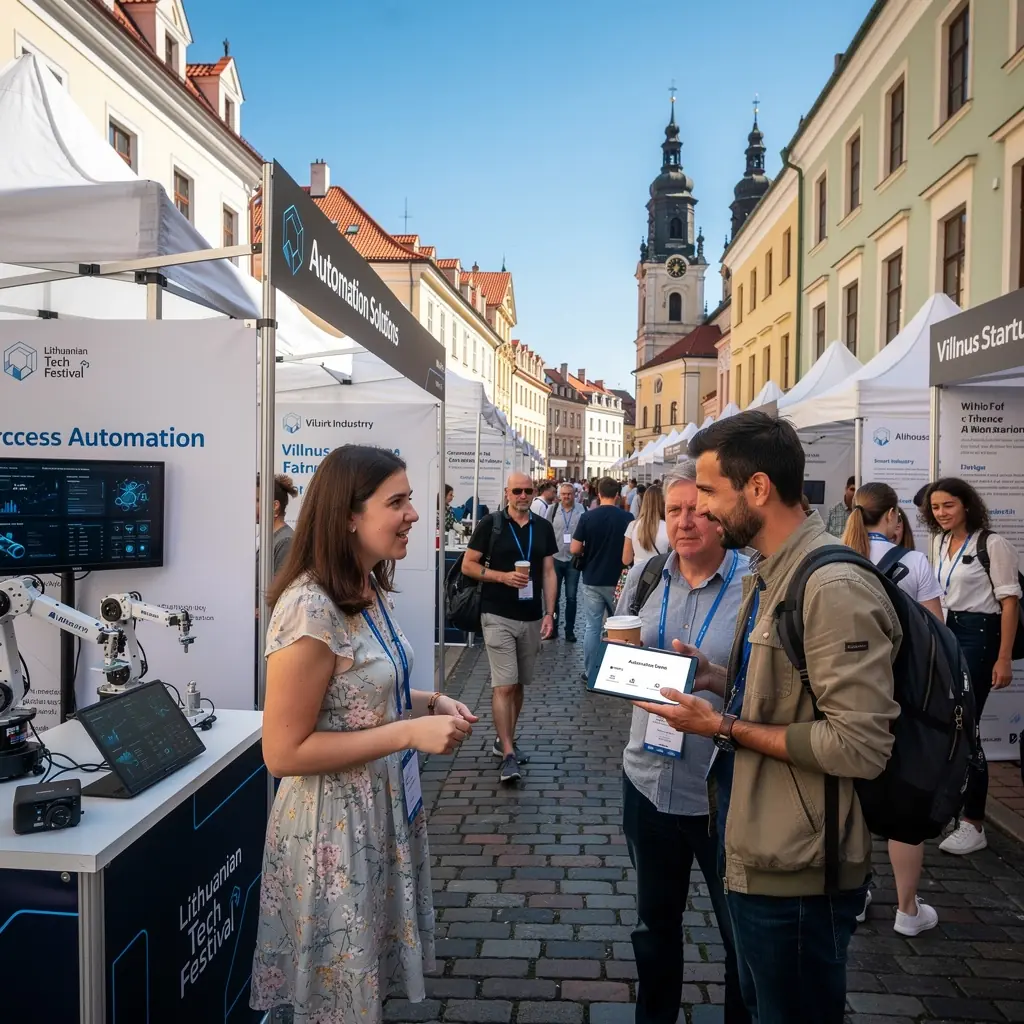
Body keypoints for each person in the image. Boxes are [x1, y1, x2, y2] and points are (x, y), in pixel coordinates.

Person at [635, 411, 901, 1024]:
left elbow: (860, 744)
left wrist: (721, 727)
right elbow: (794, 695)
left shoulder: (828, 583)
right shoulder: (774, 570)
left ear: (756, 489)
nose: (698, 510)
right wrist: (717, 679)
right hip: (766, 850)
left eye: (707, 492)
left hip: (802, 871)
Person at [251, 446, 478, 1023]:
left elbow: (363, 690)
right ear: (349, 514)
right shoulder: (309, 606)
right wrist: (407, 733)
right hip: (330, 828)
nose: (414, 515)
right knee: (334, 999)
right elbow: (282, 752)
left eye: (410, 500)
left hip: (374, 812)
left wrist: (429, 702)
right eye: (397, 502)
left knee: (359, 989)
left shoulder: (364, 585)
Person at [617, 463, 750, 1024]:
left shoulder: (755, 587)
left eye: (698, 508)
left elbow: (776, 689)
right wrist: (621, 669)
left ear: (721, 518)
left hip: (721, 792)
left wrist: (714, 675)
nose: (686, 520)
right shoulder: (645, 576)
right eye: (675, 511)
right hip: (646, 780)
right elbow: (618, 658)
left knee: (739, 939)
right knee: (655, 929)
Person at [842, 482, 941, 936]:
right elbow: (937, 633)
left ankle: (857, 894)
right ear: (893, 516)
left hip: (853, 690)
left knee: (857, 794)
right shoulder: (915, 561)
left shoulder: (840, 556)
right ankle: (906, 908)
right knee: (905, 799)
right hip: (906, 696)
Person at [921, 478, 1022, 856]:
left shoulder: (992, 544)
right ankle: (955, 807)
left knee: (968, 728)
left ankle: (974, 821)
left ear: (966, 505)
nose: (941, 513)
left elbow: (1009, 603)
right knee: (950, 725)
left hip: (980, 637)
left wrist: (1003, 656)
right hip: (947, 633)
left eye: (948, 505)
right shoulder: (938, 542)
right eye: (935, 507)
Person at [463, 472, 558, 783]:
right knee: (504, 684)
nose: (523, 495)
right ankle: (507, 753)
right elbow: (468, 565)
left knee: (518, 685)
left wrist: (550, 613)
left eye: (528, 490)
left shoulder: (542, 527)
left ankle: (505, 739)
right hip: (496, 614)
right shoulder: (491, 524)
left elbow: (547, 572)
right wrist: (502, 577)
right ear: (507, 493)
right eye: (517, 490)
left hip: (530, 616)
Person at [571, 477, 634, 683]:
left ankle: (590, 672)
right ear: (618, 495)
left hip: (591, 577)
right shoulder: (627, 518)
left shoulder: (588, 517)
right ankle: (619, 673)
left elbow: (574, 548)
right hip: (618, 580)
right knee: (620, 627)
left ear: (598, 493)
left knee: (592, 627)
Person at [546, 482, 584, 642]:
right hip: (555, 558)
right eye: (564, 494)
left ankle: (569, 630)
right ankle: (552, 628)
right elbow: (546, 530)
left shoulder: (582, 510)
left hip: (573, 561)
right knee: (553, 597)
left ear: (575, 494)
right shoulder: (552, 510)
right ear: (559, 495)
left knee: (571, 597)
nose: (566, 497)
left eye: (569, 494)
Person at [257, 472, 299, 579]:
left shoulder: (286, 541)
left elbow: (278, 589)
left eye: (257, 500)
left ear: (275, 505)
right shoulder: (268, 538)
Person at [623, 485, 669, 568]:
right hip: (660, 576)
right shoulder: (668, 527)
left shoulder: (633, 525)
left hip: (637, 576)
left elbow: (626, 560)